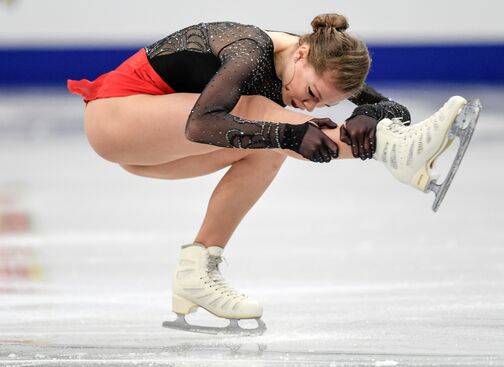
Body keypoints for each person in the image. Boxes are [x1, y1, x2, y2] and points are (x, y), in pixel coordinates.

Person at [68, 14, 474, 335]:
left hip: (152, 145)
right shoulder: (249, 49)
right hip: (115, 117)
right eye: (313, 95)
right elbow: (200, 125)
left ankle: (196, 269)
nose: (311, 106)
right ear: (301, 54)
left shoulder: (313, 64)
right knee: (260, 117)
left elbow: (393, 108)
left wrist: (368, 114)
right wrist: (289, 132)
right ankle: (398, 153)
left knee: (269, 146)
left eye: (321, 104)